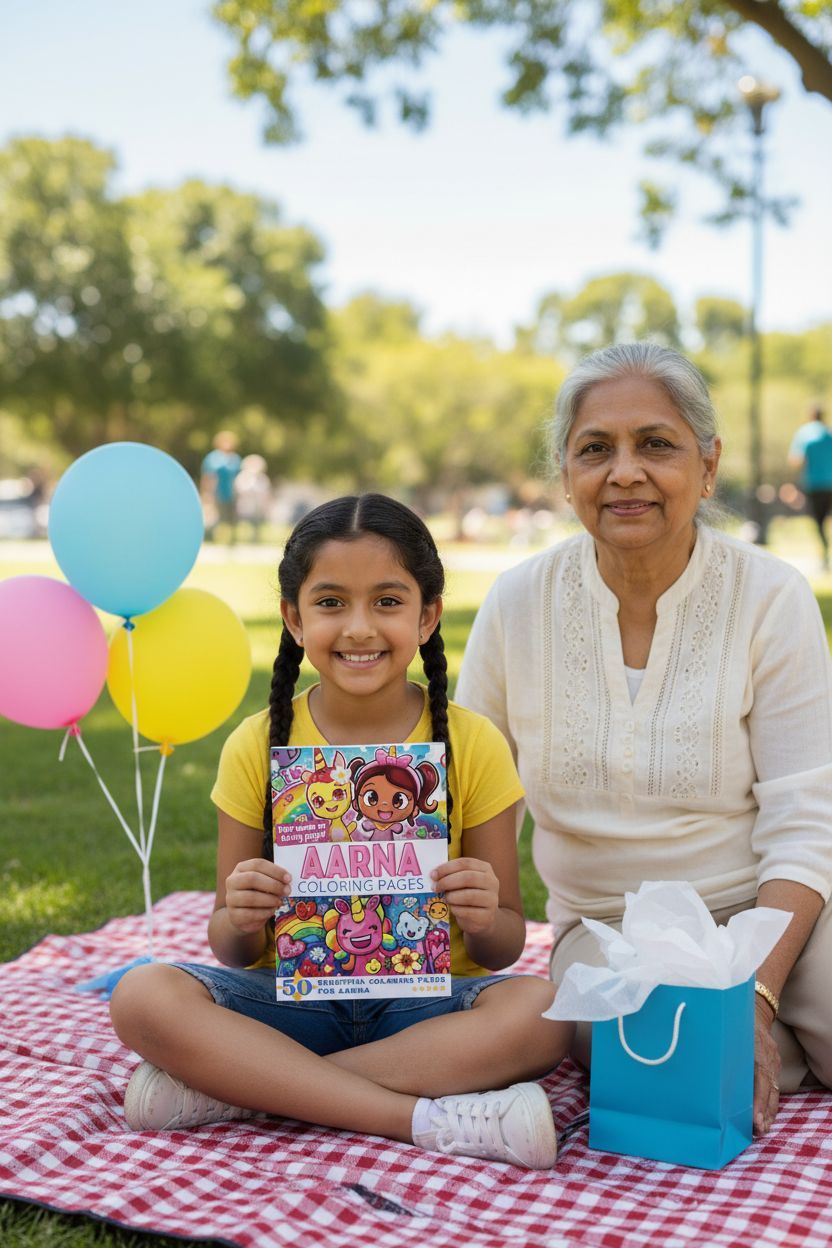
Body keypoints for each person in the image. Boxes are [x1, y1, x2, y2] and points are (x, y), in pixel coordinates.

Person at [110, 494, 573, 1169]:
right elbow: (230, 948)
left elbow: (503, 946)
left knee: (546, 1010)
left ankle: (248, 1088)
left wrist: (481, 908)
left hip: (428, 1008)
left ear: (429, 614)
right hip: (291, 1002)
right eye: (331, 603)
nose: (359, 628)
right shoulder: (254, 746)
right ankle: (415, 1117)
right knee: (142, 994)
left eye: (387, 601)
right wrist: (242, 913)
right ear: (295, 618)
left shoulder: (474, 744)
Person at [456, 343, 832, 1141]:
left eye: (655, 444)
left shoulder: (772, 598)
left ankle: (761, 1043)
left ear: (707, 463)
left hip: (769, 914)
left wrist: (755, 996)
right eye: (596, 449)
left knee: (712, 1048)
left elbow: (809, 824)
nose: (624, 472)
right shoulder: (517, 604)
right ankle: (755, 1057)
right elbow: (468, 804)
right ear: (566, 474)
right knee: (645, 1051)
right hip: (608, 932)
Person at [788, 404, 832, 569]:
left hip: (815, 483)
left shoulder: (804, 433)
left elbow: (795, 459)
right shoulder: (829, 433)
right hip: (830, 483)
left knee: (819, 520)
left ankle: (825, 551)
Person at [200, 431, 242, 543]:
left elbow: (238, 477)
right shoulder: (212, 458)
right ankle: (212, 539)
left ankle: (232, 541)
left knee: (232, 518)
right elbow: (208, 476)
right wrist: (206, 493)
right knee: (216, 517)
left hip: (232, 492)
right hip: (216, 492)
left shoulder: (235, 458)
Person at [234, 453, 272, 543]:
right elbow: (239, 490)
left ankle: (255, 540)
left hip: (258, 505)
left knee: (257, 524)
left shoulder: (263, 478)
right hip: (245, 504)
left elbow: (266, 492)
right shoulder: (243, 477)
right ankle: (242, 539)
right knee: (244, 523)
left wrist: (266, 505)